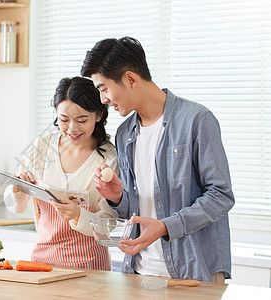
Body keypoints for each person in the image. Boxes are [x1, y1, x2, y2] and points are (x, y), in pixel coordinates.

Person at [81, 36, 235, 282]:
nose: (103, 100)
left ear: (130, 79)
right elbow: (139, 211)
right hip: (139, 271)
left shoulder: (196, 121)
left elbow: (221, 195)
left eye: (104, 89)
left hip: (194, 273)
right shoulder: (124, 134)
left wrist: (165, 226)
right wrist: (117, 197)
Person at [4, 76, 118, 270]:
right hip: (42, 261)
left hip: (89, 267)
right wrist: (17, 189)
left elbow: (109, 223)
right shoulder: (41, 147)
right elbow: (15, 205)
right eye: (64, 120)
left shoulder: (109, 158)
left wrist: (78, 214)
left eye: (82, 120)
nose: (72, 128)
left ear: (99, 115)